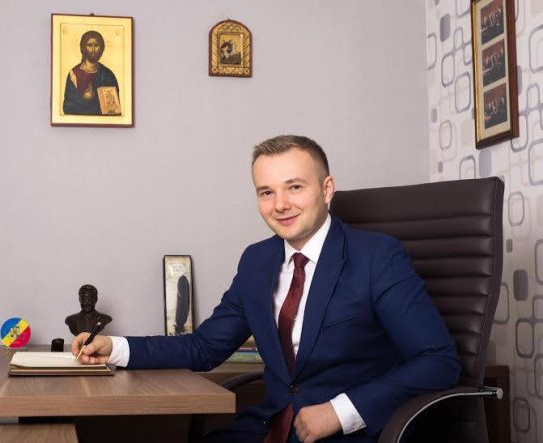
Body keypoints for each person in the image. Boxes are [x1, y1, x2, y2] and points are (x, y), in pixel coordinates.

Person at [72, 135, 460, 443]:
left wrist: (340, 412)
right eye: (266, 192)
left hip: (349, 433)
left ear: (327, 189)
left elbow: (438, 360)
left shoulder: (377, 257)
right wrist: (114, 347)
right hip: (267, 426)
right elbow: (205, 347)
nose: (280, 205)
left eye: (295, 187)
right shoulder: (257, 260)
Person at [62, 30, 119, 115]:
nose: (93, 49)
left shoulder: (108, 75)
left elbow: (113, 110)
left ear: (101, 49)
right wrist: (84, 98)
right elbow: (67, 107)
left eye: (96, 45)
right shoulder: (74, 74)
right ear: (83, 48)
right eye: (89, 45)